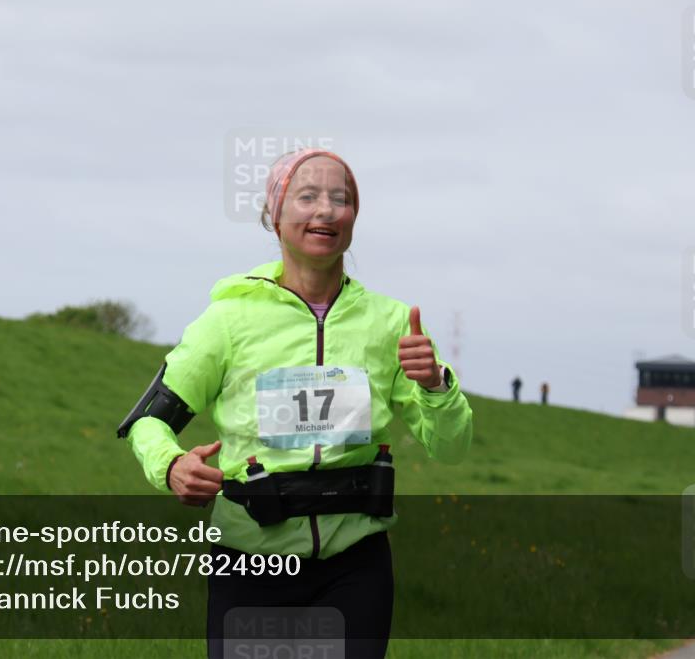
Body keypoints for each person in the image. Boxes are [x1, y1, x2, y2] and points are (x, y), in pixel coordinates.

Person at [117, 148, 473, 658]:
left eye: (341, 199)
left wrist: (436, 386)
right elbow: (148, 422)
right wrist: (170, 465)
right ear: (274, 215)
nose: (326, 211)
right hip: (251, 562)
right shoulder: (228, 321)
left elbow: (453, 448)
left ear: (354, 218)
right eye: (307, 197)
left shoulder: (392, 324)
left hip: (356, 564)